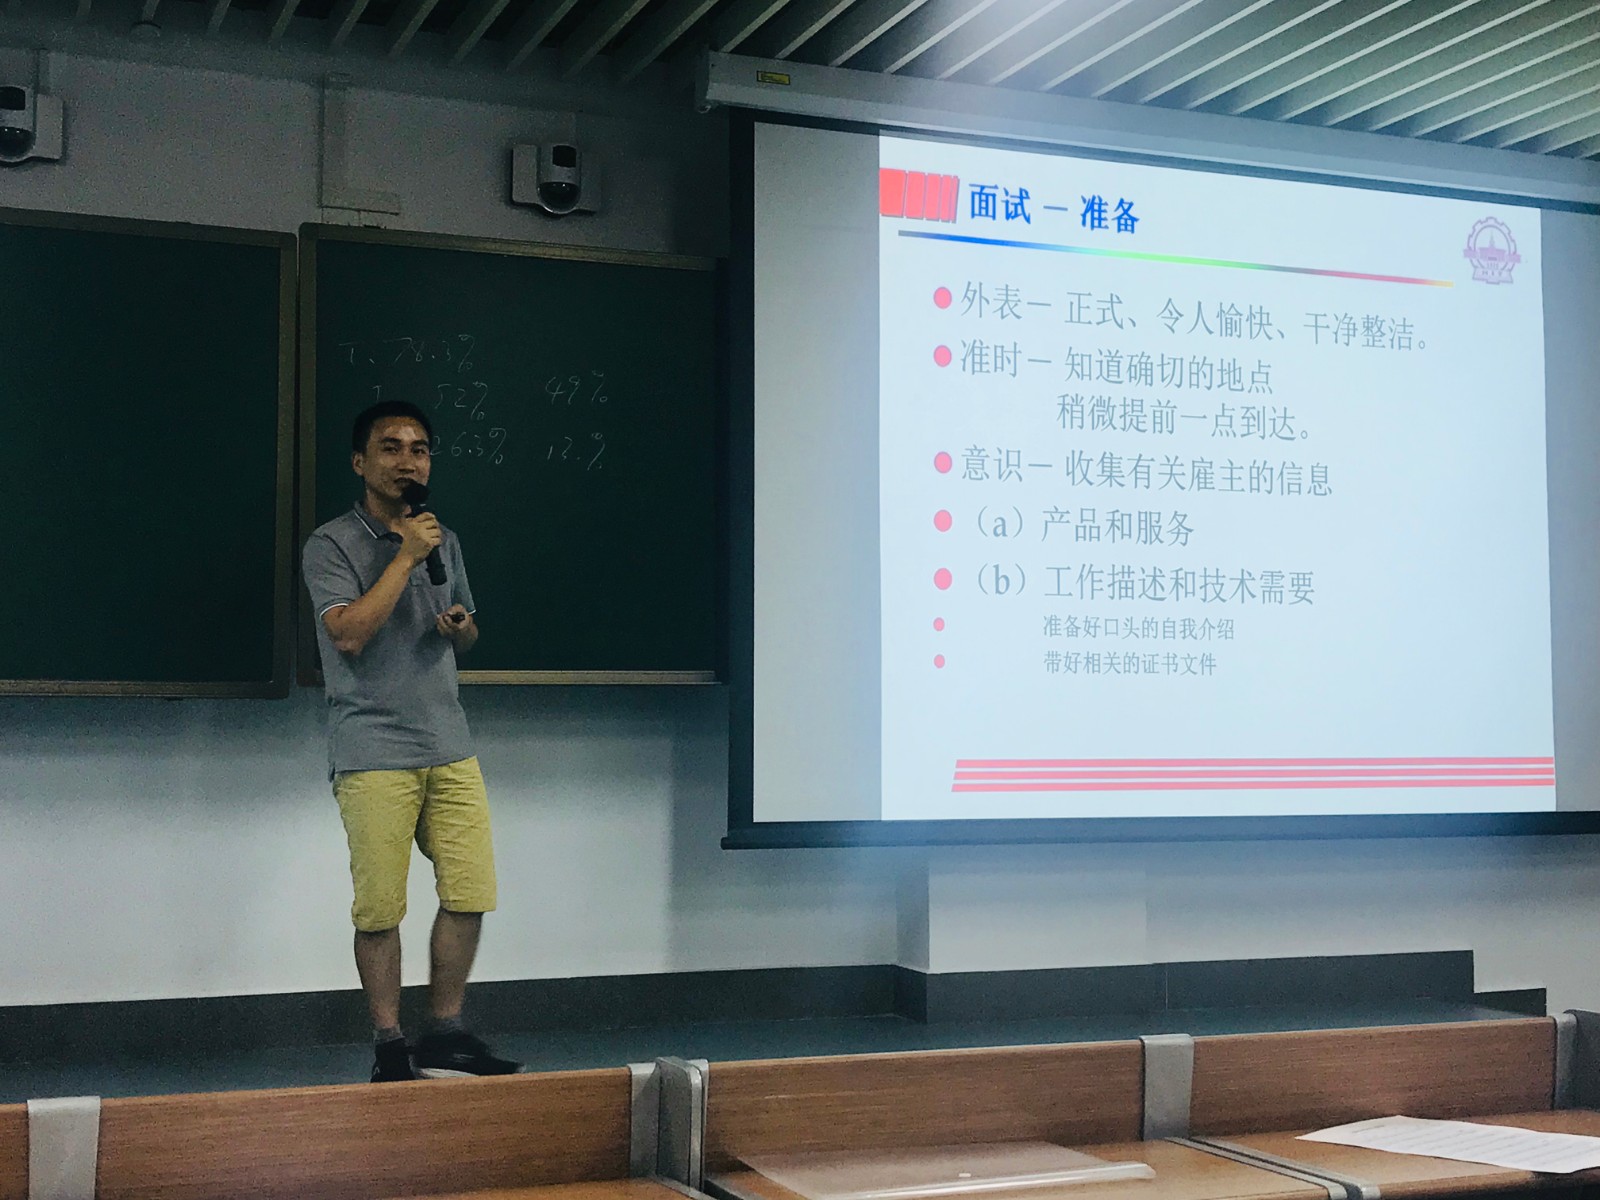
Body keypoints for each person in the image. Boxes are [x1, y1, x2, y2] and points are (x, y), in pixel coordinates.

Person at [302, 399, 521, 1083]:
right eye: (391, 448)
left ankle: (445, 1033)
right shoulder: (332, 544)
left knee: (470, 890)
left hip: (449, 743)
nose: (408, 461)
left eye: (420, 449)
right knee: (380, 907)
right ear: (359, 461)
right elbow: (348, 634)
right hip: (372, 750)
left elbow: (469, 634)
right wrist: (404, 555)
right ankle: (389, 1045)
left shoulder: (441, 538)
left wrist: (459, 626)